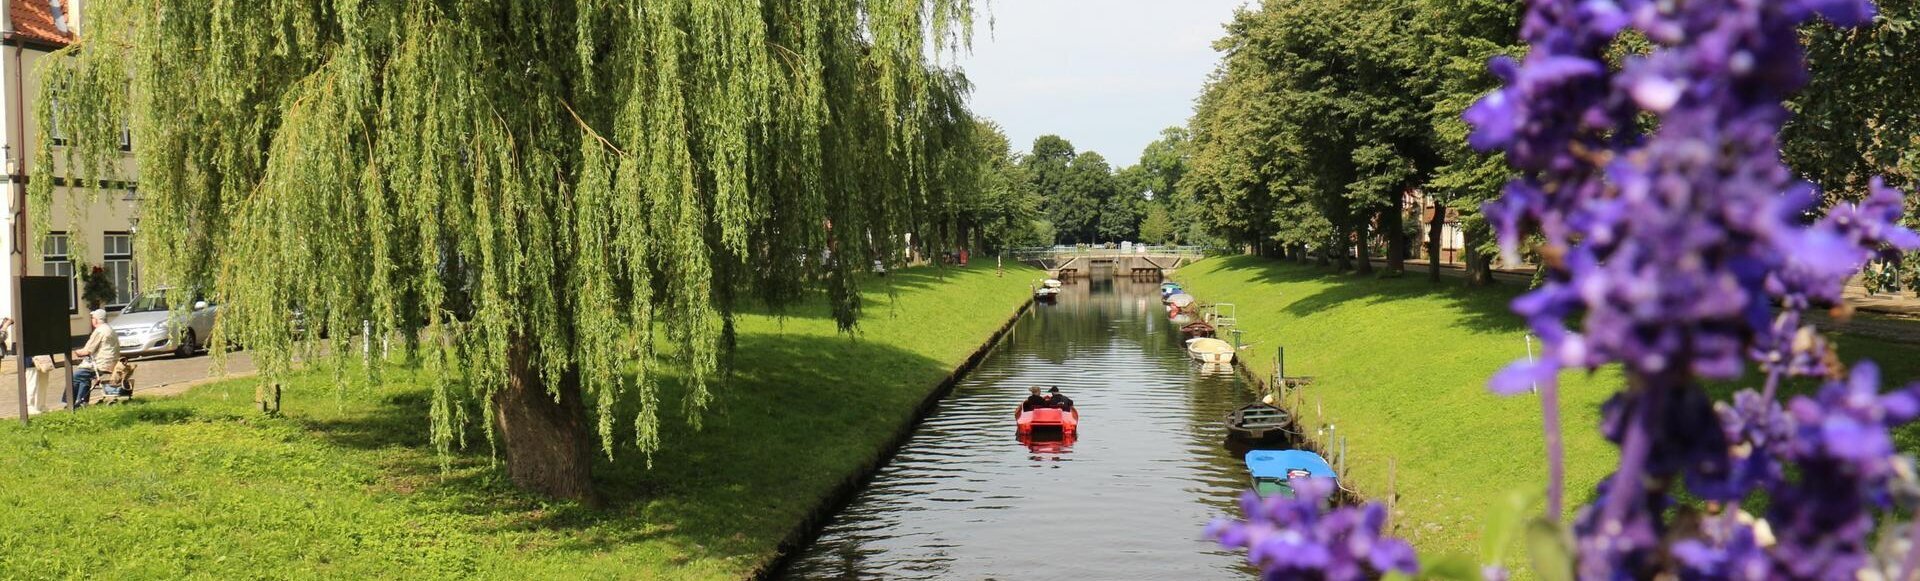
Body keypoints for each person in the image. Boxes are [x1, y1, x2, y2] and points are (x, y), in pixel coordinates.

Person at [66, 309, 119, 407]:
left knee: (76, 376)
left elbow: (87, 351)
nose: (91, 320)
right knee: (83, 375)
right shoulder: (110, 329)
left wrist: (74, 352)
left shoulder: (99, 331)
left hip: (100, 364)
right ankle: (81, 402)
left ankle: (74, 402)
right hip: (111, 363)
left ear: (96, 320)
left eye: (92, 318)